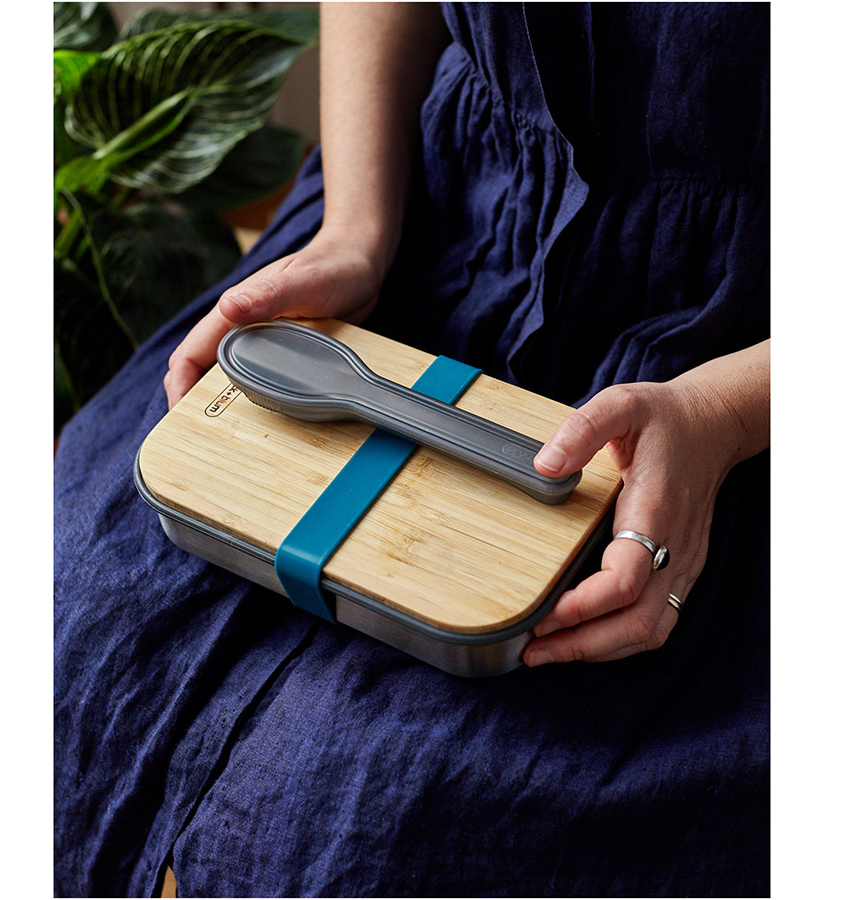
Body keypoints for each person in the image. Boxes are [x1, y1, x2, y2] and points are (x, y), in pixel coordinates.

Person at [55, 3, 770, 895]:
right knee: (73, 607)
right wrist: (355, 231)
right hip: (424, 209)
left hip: (738, 356)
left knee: (369, 819)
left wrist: (725, 413)